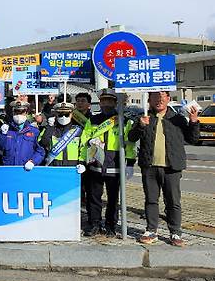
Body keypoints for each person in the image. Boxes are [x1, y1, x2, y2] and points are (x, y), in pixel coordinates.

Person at [129, 91, 200, 247]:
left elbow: (193, 139)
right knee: (151, 200)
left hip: (172, 167)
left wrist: (194, 122)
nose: (159, 99)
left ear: (168, 98)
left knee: (173, 201)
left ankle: (175, 232)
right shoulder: (144, 117)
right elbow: (131, 138)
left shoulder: (178, 119)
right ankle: (151, 230)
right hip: (149, 166)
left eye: (163, 96)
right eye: (155, 96)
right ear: (149, 99)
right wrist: (141, 125)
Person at [79, 88, 136, 237]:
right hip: (95, 165)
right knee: (94, 198)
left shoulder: (123, 120)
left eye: (109, 101)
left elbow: (129, 144)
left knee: (112, 200)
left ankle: (111, 225)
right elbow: (84, 140)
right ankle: (94, 224)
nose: (106, 104)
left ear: (115, 102)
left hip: (114, 166)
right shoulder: (93, 120)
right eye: (103, 101)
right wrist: (83, 161)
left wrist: (130, 163)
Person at [0, 100, 45, 169]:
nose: (19, 115)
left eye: (22, 112)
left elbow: (40, 151)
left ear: (26, 113)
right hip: (8, 170)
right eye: (16, 112)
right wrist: (2, 135)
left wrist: (33, 161)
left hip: (26, 170)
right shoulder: (6, 130)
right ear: (13, 113)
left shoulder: (34, 131)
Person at [39, 102, 85, 169]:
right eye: (60, 114)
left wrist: (81, 163)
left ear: (71, 115)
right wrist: (49, 127)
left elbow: (83, 149)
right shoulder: (50, 129)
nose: (63, 117)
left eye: (66, 114)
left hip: (73, 168)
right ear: (56, 115)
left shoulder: (78, 131)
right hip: (54, 168)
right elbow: (42, 144)